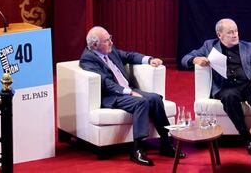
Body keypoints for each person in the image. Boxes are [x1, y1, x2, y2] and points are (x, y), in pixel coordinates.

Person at [79, 26, 185, 166]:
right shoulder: (88, 59)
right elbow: (105, 83)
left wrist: (148, 60)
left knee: (155, 98)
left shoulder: (109, 50)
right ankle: (137, 149)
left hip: (128, 89)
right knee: (141, 102)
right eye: (107, 40)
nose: (111, 42)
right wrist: (129, 92)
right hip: (112, 96)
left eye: (110, 38)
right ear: (94, 45)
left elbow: (129, 56)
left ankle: (166, 143)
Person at [181, 18, 251, 156]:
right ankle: (246, 138)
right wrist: (195, 59)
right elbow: (184, 59)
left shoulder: (250, 47)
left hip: (247, 84)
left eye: (236, 31)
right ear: (219, 35)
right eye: (230, 32)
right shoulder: (209, 46)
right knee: (229, 96)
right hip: (226, 87)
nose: (235, 34)